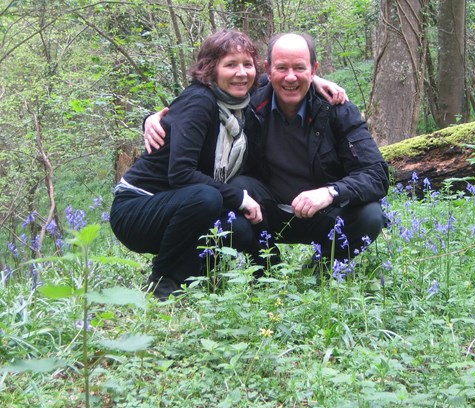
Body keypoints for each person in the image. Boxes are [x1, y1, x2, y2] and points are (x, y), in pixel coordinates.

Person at [145, 32, 389, 271]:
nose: (290, 78)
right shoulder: (250, 100)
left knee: (370, 214)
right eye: (282, 68)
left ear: (314, 69)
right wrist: (158, 118)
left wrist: (330, 192)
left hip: (324, 213)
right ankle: (264, 267)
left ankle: (322, 270)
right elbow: (199, 100)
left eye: (300, 69)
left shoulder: (337, 109)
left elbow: (376, 173)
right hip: (265, 213)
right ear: (268, 69)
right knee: (238, 187)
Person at [110, 29, 265, 300]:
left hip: (178, 206)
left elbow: (289, 78)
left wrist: (319, 81)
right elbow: (181, 174)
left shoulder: (240, 103)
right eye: (230, 65)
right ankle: (162, 281)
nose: (241, 72)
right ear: (210, 69)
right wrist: (240, 198)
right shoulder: (199, 101)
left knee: (238, 230)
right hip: (137, 209)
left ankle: (190, 281)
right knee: (207, 198)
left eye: (247, 64)